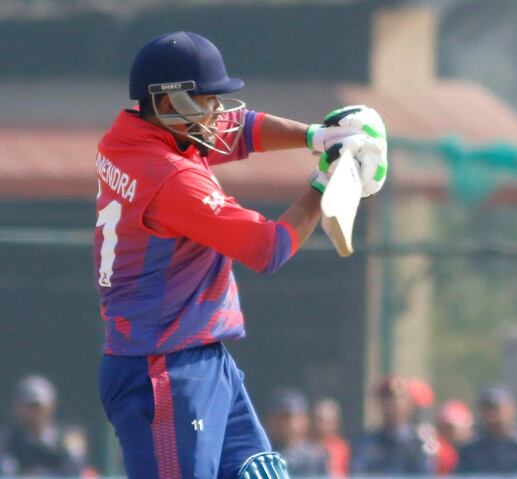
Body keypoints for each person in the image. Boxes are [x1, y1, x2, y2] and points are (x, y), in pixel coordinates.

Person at [94, 31, 387, 479]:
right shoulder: (171, 178)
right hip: (164, 371)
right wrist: (325, 183)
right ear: (171, 103)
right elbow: (268, 248)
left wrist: (320, 136)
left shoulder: (132, 135)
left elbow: (242, 129)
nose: (219, 112)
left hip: (197, 359)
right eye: (209, 99)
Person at [0, 375, 87, 476]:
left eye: (37, 406)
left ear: (51, 406)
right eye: (27, 407)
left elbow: (75, 470)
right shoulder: (7, 440)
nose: (33, 412)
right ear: (17, 407)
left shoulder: (67, 439)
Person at [456, 385, 517, 476]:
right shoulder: (470, 449)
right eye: (487, 409)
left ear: (511, 409)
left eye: (497, 409)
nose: (492, 415)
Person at [350, 375, 435, 475]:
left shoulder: (420, 443)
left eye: (401, 398)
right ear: (379, 403)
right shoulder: (366, 443)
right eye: (388, 398)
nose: (395, 403)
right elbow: (359, 472)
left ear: (410, 403)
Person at [263, 388, 329, 476]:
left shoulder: (316, 457)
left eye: (289, 417)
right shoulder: (261, 457)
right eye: (279, 418)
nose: (284, 423)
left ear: (304, 420)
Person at [311, 398, 350, 478]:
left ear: (336, 423)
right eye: (320, 420)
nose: (323, 426)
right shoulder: (304, 447)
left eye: (328, 422)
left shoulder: (343, 449)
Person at [434, 400, 473, 476]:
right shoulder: (435, 452)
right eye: (443, 427)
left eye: (450, 428)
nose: (446, 432)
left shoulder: (475, 452)